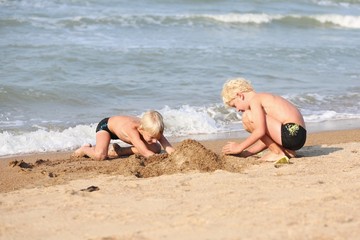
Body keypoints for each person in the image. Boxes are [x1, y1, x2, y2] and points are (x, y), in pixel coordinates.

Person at [221, 77, 306, 162]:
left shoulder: (255, 100)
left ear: (240, 96)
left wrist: (239, 147)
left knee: (247, 116)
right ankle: (287, 151)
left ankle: (277, 153)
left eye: (235, 105)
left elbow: (260, 131)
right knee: (259, 124)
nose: (237, 110)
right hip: (298, 136)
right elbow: (268, 136)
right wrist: (247, 153)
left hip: (291, 134)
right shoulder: (264, 98)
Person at [73, 110, 175, 160]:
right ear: (141, 129)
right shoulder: (132, 129)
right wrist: (163, 159)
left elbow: (168, 147)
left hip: (121, 130)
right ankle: (84, 149)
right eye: (152, 137)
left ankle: (120, 151)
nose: (154, 140)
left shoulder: (152, 129)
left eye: (156, 137)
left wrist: (176, 155)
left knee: (156, 148)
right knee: (101, 156)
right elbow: (145, 152)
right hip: (106, 127)